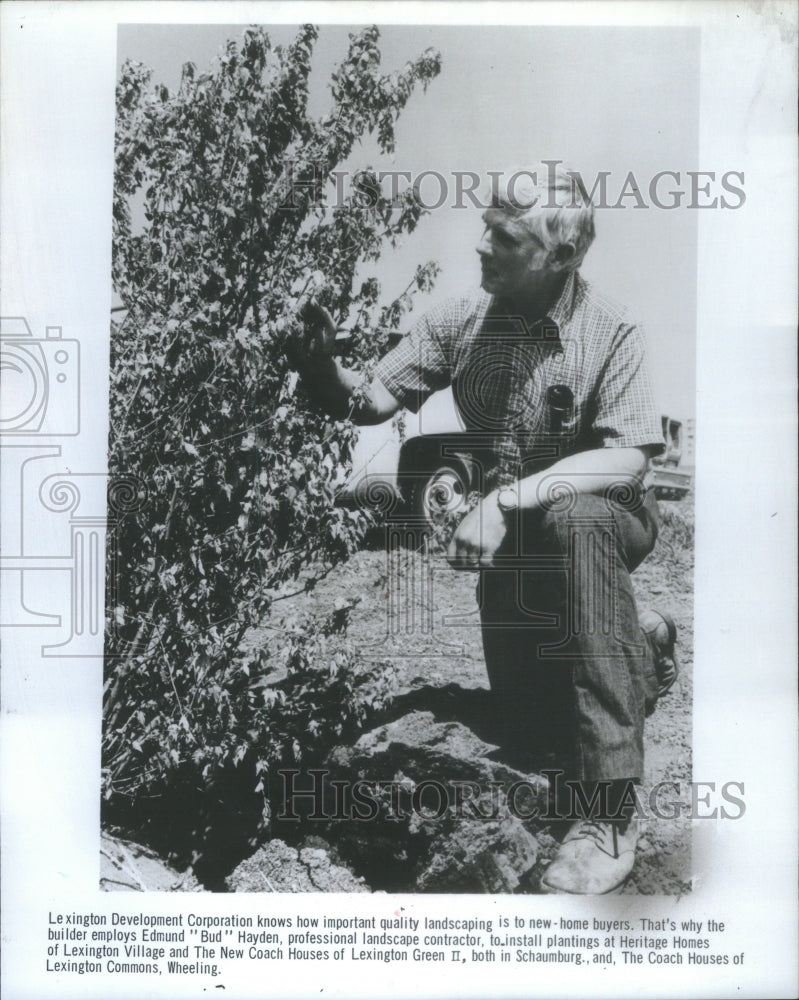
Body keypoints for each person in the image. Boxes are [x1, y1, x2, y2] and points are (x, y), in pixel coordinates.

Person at [291, 162, 679, 894]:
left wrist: (502, 501)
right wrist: (318, 367)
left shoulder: (611, 328)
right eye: (485, 227)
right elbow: (368, 400)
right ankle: (639, 642)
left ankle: (608, 809)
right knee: (527, 722)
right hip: (518, 539)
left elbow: (627, 458)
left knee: (575, 516)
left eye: (504, 236)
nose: (481, 245)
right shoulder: (460, 320)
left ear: (561, 256)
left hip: (600, 516)